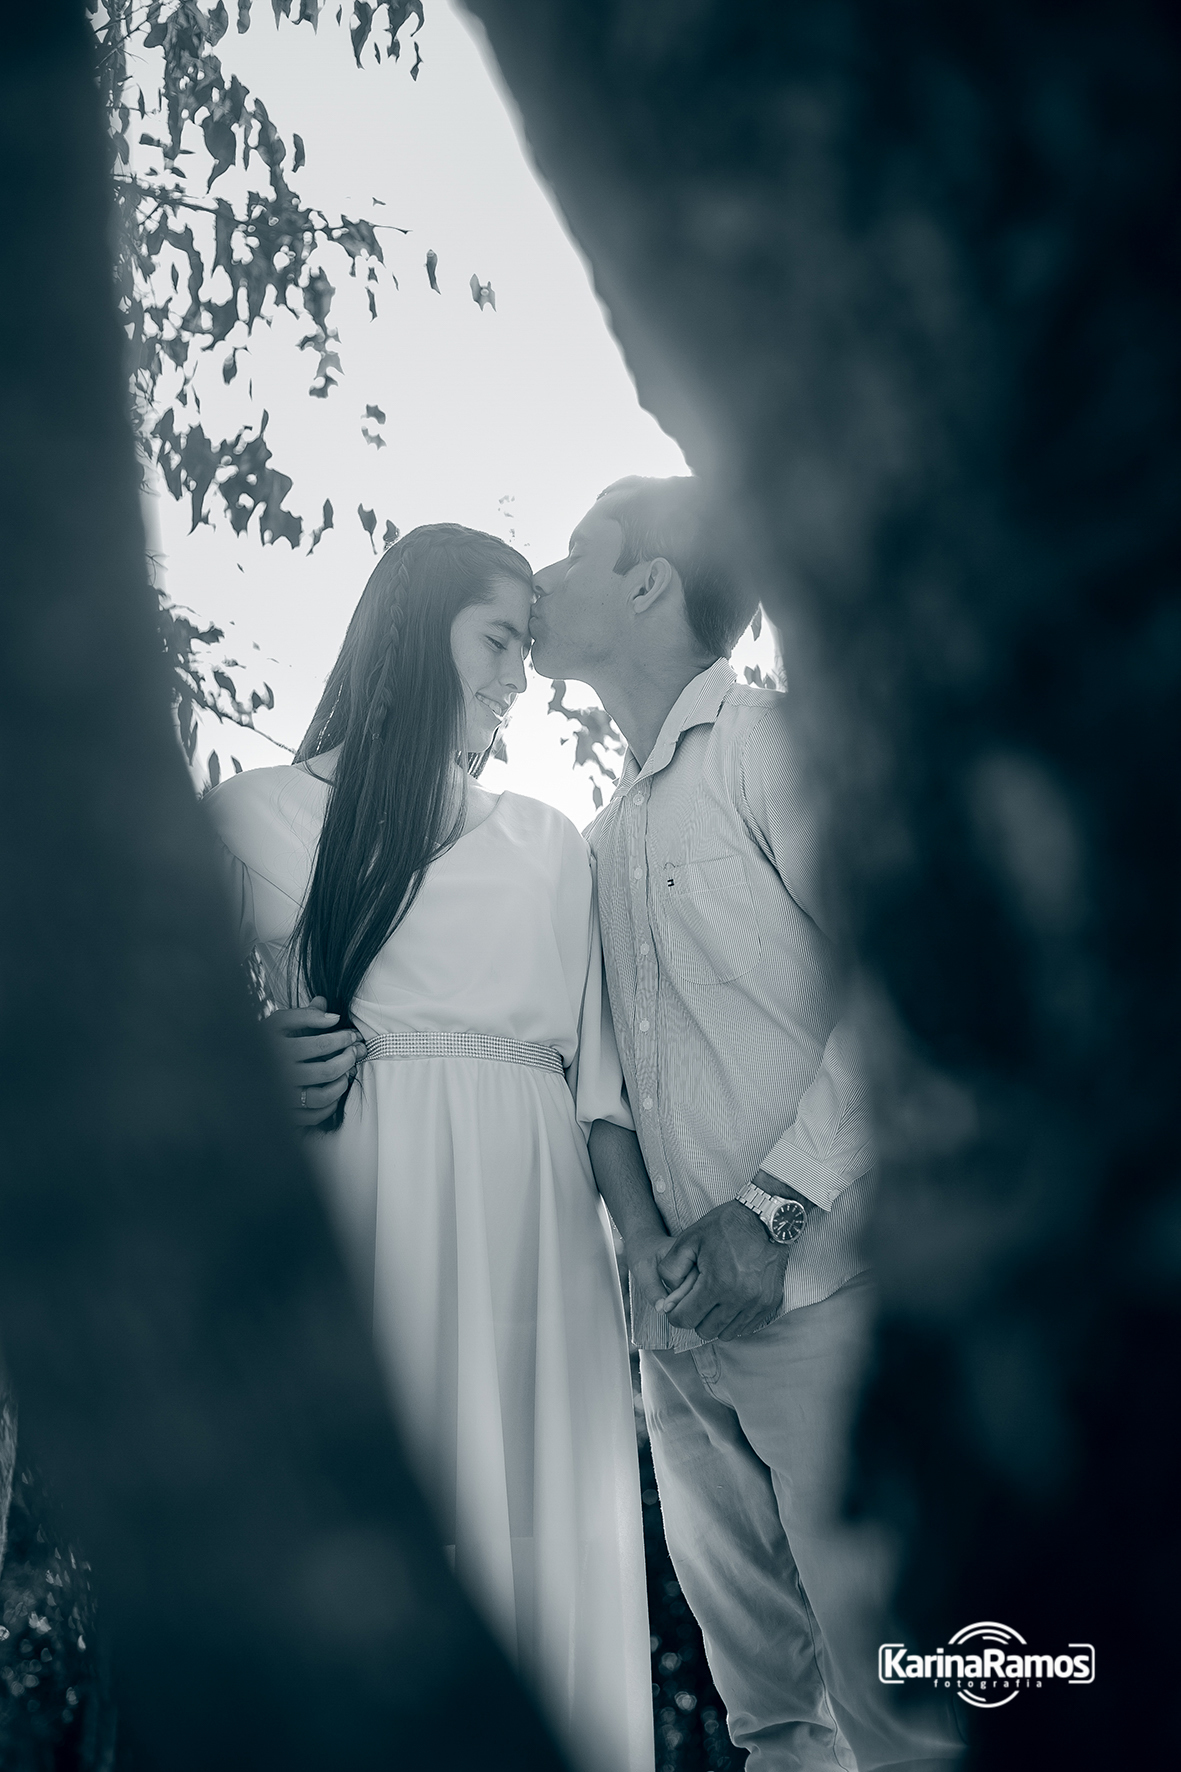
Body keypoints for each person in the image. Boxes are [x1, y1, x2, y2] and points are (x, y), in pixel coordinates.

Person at [526, 477, 965, 1771]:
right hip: (679, 1338)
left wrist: (770, 1214)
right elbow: (602, 1081)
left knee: (905, 1706)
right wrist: (649, 1256)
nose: (542, 578)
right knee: (769, 1718)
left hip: (831, 1309)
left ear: (648, 582)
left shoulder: (775, 746)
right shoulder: (596, 837)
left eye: (574, 552)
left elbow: (903, 988)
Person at [204, 524, 655, 1772]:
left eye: (525, 647)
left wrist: (651, 1259)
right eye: (498, 640)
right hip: (361, 1216)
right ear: (412, 632)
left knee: (533, 1556)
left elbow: (599, 1080)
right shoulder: (251, 817)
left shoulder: (546, 839)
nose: (519, 676)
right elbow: (146, 1046)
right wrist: (247, 1069)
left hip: (535, 1232)